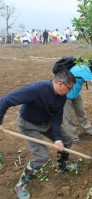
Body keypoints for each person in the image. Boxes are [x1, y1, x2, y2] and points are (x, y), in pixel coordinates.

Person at [0, 70, 76, 199]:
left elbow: (57, 118)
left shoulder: (62, 97)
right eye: (69, 88)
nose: (70, 91)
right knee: (42, 156)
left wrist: (57, 139)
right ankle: (20, 185)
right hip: (29, 126)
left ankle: (61, 166)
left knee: (67, 140)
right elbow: (5, 100)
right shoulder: (36, 89)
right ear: (61, 83)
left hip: (46, 123)